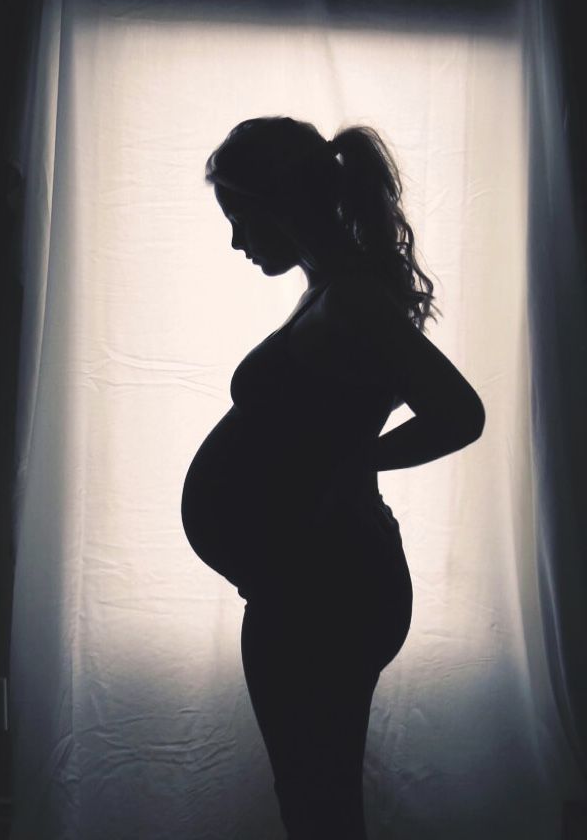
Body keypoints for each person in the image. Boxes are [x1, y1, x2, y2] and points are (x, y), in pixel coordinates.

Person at [181, 116, 485, 840]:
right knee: (314, 800)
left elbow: (459, 413)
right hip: (310, 585)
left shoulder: (351, 296)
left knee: (319, 808)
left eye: (240, 217)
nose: (236, 240)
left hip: (329, 591)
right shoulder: (333, 290)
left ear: (281, 203)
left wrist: (357, 458)